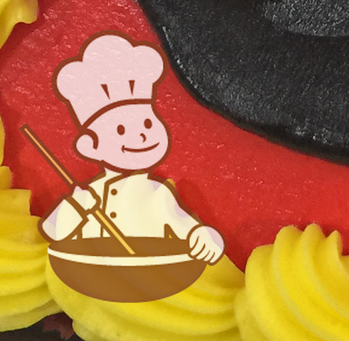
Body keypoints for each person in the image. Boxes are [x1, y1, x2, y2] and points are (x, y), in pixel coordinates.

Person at [39, 33, 224, 262]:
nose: (141, 135)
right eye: (120, 130)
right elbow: (50, 234)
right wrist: (73, 211)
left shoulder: (159, 197)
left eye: (147, 123)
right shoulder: (85, 199)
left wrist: (204, 238)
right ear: (90, 146)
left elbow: (188, 230)